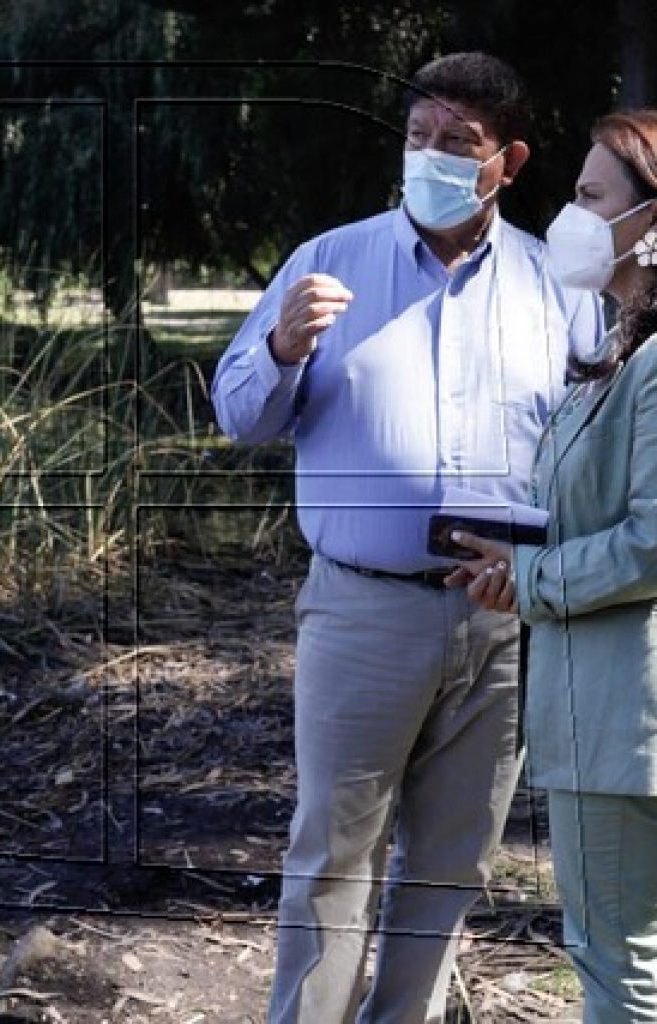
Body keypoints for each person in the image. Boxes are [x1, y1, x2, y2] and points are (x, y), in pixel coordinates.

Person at [211, 51, 604, 1023]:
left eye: (457, 144)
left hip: (502, 622)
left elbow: (590, 445)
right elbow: (238, 416)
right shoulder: (327, 262)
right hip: (363, 610)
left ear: (507, 162)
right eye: (418, 137)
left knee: (452, 862)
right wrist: (281, 348)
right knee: (332, 856)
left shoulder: (556, 283)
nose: (430, 157)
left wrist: (552, 568)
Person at [448, 108, 657, 1023]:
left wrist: (531, 579)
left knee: (619, 968)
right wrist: (517, 559)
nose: (570, 216)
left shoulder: (654, 366)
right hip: (608, 717)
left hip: (625, 724)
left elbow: (651, 541)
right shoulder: (619, 353)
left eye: (590, 196)